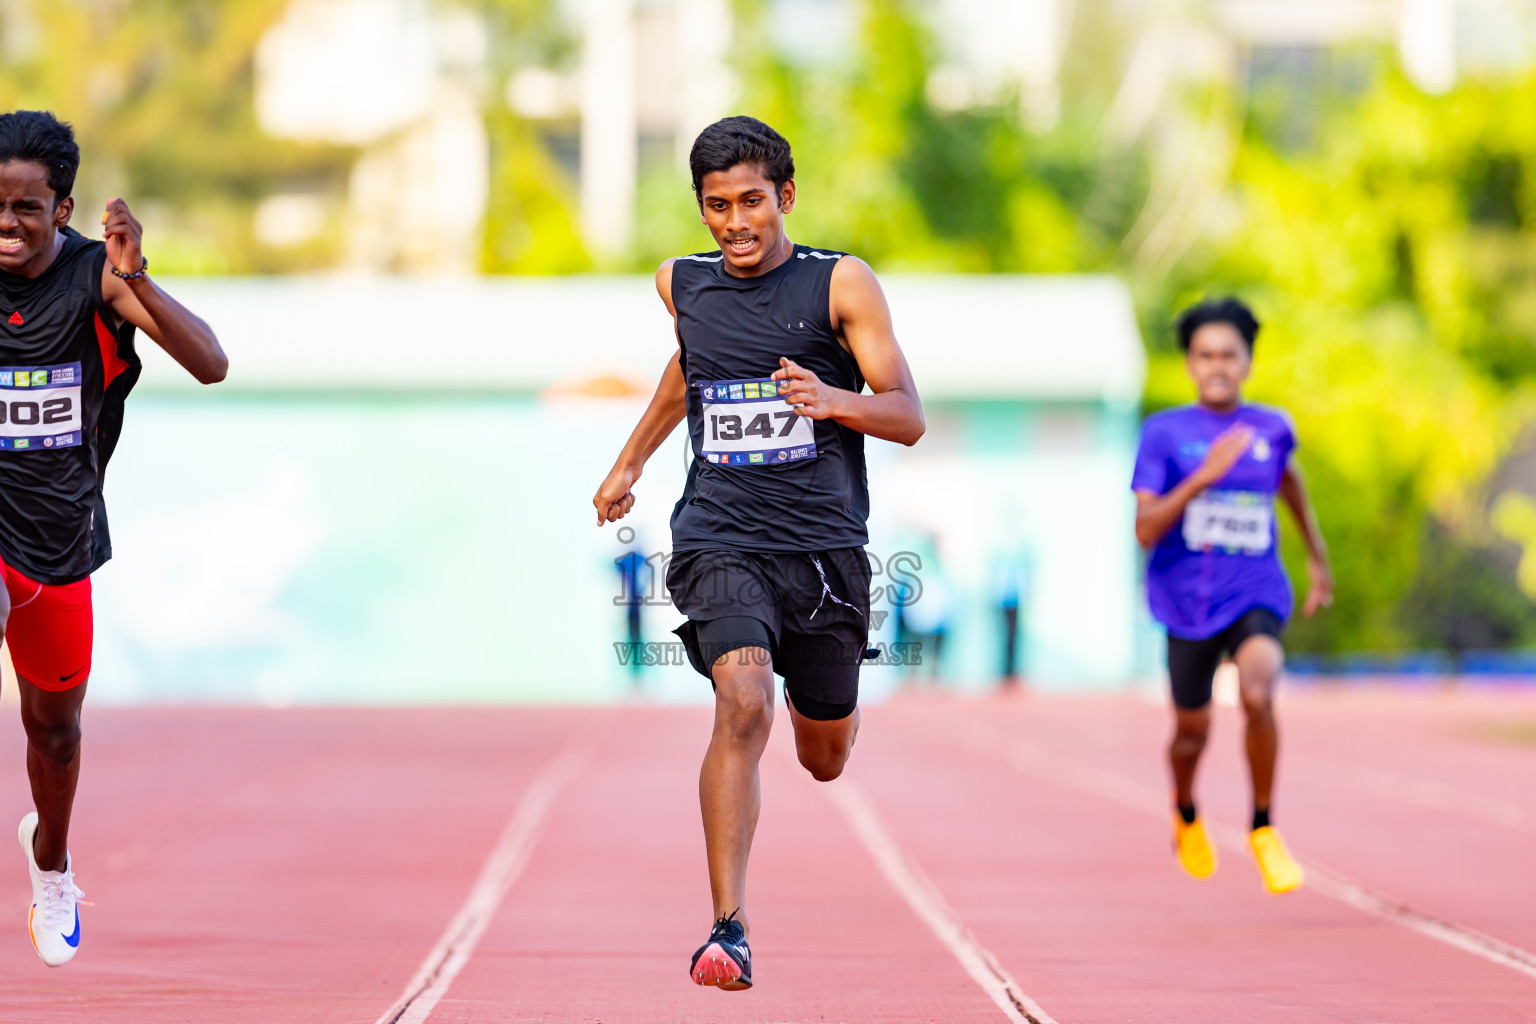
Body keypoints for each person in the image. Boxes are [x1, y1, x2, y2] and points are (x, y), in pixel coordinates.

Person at [592, 116, 923, 989]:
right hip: (719, 536)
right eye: (715, 207)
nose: (735, 224)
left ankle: (839, 698)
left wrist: (833, 400)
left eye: (750, 203)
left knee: (823, 757)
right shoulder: (681, 285)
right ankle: (726, 928)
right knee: (742, 700)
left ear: (785, 197)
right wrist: (629, 461)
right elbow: (687, 371)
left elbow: (907, 414)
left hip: (821, 552)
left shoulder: (841, 285)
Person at [0, 110, 227, 965]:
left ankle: (51, 862)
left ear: (61, 209)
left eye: (26, 208)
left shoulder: (98, 279)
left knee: (54, 731)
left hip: (58, 544)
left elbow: (211, 363)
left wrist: (143, 280)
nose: (7, 224)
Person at [1131, 297, 1331, 895]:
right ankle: (1186, 808)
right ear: (1190, 364)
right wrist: (1202, 477)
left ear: (1247, 361)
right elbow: (1144, 530)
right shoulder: (1164, 434)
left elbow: (1288, 481)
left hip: (1255, 591)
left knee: (1258, 690)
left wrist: (1318, 558)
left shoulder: (1272, 427)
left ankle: (1263, 827)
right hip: (1184, 602)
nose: (1217, 365)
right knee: (1191, 733)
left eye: (1229, 355)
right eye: (1205, 355)